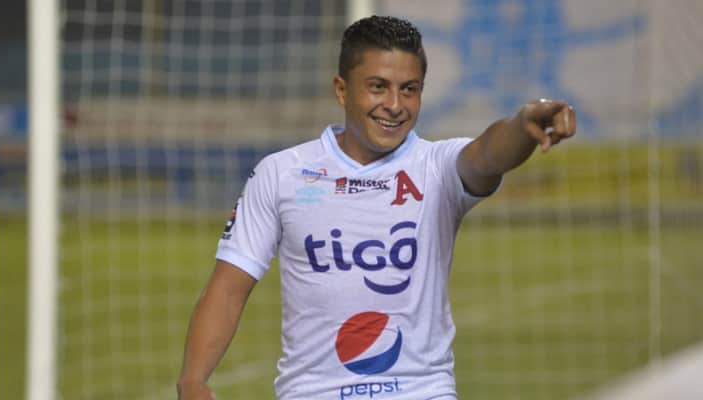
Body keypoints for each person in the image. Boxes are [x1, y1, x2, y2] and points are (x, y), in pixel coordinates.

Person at [177, 15, 576, 400]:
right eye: (378, 87)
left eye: (409, 89)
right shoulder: (282, 174)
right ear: (341, 90)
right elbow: (229, 288)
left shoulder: (436, 167)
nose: (394, 104)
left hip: (421, 392)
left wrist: (523, 124)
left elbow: (489, 153)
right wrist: (193, 380)